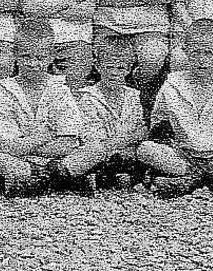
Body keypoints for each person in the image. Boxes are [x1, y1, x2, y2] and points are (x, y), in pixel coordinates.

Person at [139, 19, 213, 196]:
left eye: (208, 53)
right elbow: (159, 123)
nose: (202, 60)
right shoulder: (173, 84)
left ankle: (194, 179)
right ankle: (210, 178)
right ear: (186, 52)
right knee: (145, 150)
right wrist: (168, 141)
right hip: (184, 154)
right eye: (196, 53)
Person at [0, 21, 86, 195]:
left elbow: (68, 143)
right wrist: (44, 136)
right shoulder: (6, 91)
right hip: (22, 160)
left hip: (58, 158)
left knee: (94, 150)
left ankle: (44, 177)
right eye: (26, 57)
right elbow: (8, 146)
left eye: (39, 57)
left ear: (51, 56)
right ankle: (49, 178)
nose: (33, 63)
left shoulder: (60, 88)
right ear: (15, 54)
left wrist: (28, 144)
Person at [58, 34, 149, 190]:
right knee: (92, 154)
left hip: (126, 153)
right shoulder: (88, 98)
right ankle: (95, 177)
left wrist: (131, 140)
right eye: (109, 67)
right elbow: (93, 140)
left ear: (129, 69)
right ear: (98, 66)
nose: (114, 73)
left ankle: (118, 176)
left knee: (144, 151)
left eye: (120, 68)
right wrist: (128, 139)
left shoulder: (133, 96)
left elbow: (139, 131)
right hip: (100, 152)